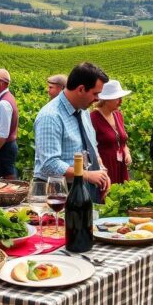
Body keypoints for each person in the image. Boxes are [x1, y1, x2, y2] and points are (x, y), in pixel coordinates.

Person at [34, 62, 112, 202]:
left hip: (80, 187)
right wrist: (87, 175)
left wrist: (101, 171)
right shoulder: (50, 116)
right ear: (81, 89)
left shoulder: (84, 111)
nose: (98, 99)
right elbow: (49, 164)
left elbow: (90, 147)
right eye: (95, 93)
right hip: (57, 192)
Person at [91, 79, 132, 184]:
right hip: (104, 169)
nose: (121, 101)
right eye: (117, 98)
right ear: (106, 100)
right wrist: (100, 168)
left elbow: (122, 141)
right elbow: (90, 147)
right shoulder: (93, 118)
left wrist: (127, 152)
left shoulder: (118, 115)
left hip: (120, 167)